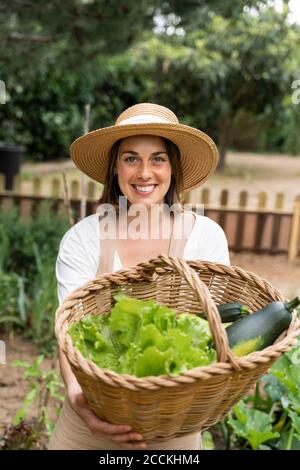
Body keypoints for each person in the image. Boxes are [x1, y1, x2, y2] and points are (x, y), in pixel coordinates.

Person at [48, 103, 230, 450]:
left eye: (158, 159)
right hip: (90, 421)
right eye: (131, 158)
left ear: (173, 168)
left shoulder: (205, 237)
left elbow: (219, 327)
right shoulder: (83, 239)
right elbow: (68, 332)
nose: (144, 172)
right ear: (114, 169)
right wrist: (78, 399)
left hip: (173, 424)